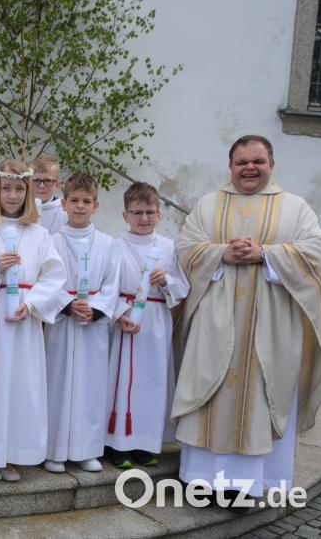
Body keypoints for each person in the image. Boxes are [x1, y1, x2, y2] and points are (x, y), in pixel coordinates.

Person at [172, 135, 321, 506]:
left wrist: (267, 255)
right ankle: (202, 481)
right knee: (210, 392)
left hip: (271, 328)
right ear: (230, 166)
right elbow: (185, 249)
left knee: (262, 393)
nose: (249, 168)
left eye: (257, 161)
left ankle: (255, 483)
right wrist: (220, 253)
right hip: (215, 325)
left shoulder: (295, 208)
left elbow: (315, 251)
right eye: (242, 161)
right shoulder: (208, 205)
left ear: (271, 165)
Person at [0, 159, 67, 482]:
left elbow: (55, 276)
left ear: (28, 192)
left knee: (20, 386)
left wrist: (33, 301)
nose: (12, 195)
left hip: (23, 319)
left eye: (19, 189)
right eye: (6, 188)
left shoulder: (39, 234)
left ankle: (10, 453)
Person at [104, 182, 189, 469]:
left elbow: (182, 287)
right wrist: (118, 313)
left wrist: (167, 282)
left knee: (153, 383)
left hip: (155, 321)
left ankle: (146, 443)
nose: (144, 218)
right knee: (121, 381)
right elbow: (108, 286)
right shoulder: (115, 245)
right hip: (127, 318)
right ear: (125, 215)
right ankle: (118, 444)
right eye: (137, 212)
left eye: (150, 212)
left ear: (159, 214)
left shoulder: (168, 247)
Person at [44, 173, 121, 474]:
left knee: (90, 386)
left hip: (92, 326)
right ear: (63, 203)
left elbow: (112, 284)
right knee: (58, 383)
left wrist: (96, 309)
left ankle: (87, 449)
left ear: (96, 205)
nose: (79, 206)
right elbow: (46, 279)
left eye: (86, 201)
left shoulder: (107, 244)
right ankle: (54, 450)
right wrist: (67, 303)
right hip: (62, 323)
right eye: (74, 200)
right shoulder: (51, 241)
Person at [29, 156, 66, 234]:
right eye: (36, 180)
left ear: (57, 184)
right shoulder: (23, 208)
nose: (41, 186)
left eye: (48, 181)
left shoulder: (64, 210)